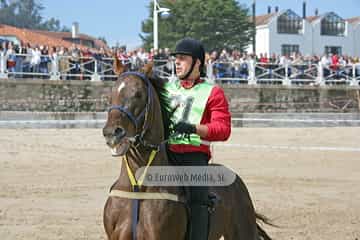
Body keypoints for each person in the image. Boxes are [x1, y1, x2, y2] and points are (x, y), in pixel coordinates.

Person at [165, 38, 231, 240]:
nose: (177, 62)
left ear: (197, 63)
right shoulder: (166, 88)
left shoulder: (213, 92)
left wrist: (194, 128)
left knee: (198, 201)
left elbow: (223, 129)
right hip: (165, 152)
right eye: (176, 59)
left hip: (194, 156)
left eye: (182, 59)